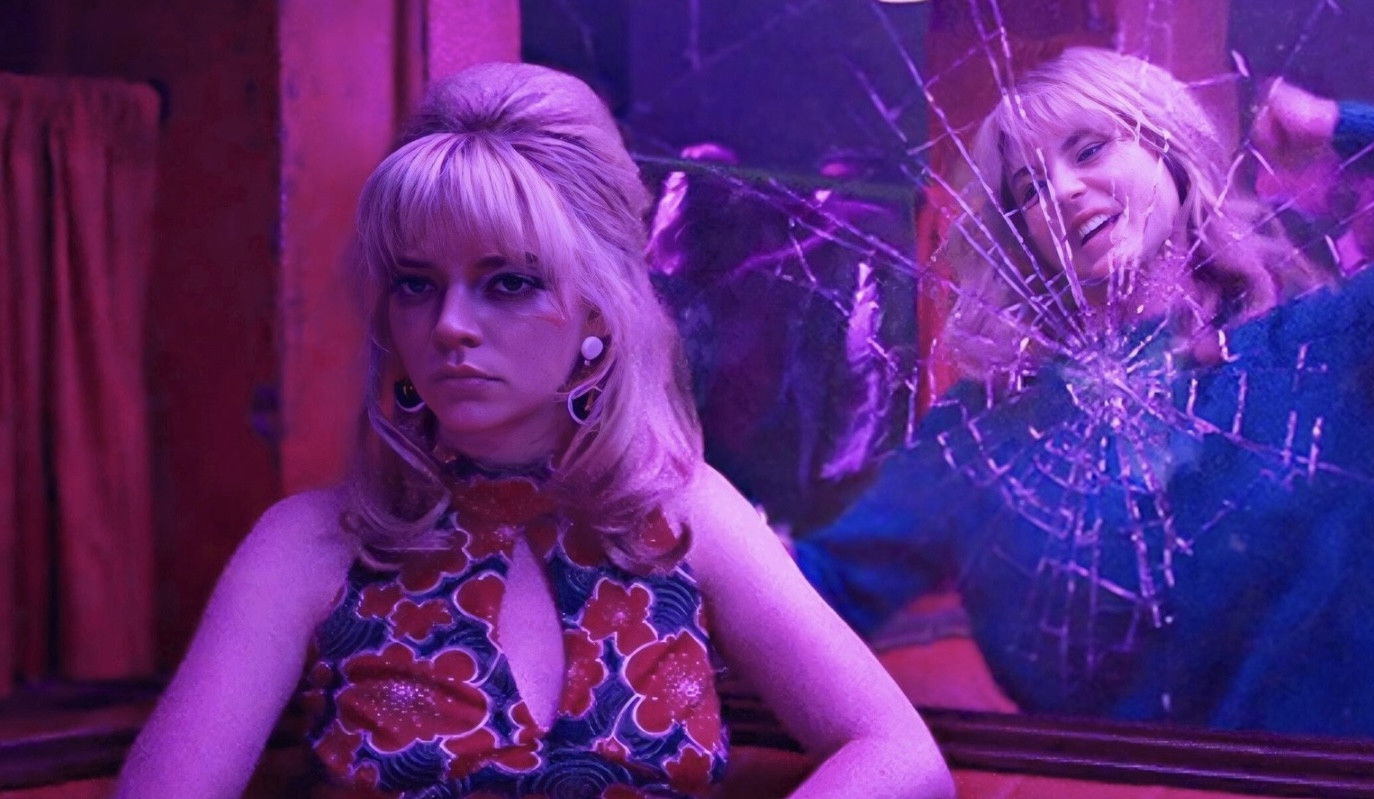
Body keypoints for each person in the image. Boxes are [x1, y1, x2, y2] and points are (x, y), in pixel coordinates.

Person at [115, 63, 952, 798]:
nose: (450, 325)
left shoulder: (686, 512)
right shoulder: (307, 545)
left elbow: (902, 756)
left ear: (597, 308)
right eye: (415, 284)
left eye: (507, 283)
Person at [795, 47, 1374, 741]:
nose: (1062, 191)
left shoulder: (1330, 340)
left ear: (1171, 151)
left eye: (1089, 149)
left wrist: (1339, 126)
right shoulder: (981, 431)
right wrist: (704, 521)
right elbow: (817, 592)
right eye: (1029, 188)